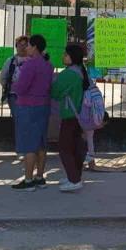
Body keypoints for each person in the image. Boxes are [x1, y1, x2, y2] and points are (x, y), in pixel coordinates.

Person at [11, 34, 54, 191]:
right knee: (41, 143)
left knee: (29, 144)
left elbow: (21, 87)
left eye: (28, 45)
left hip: (28, 106)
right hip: (43, 105)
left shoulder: (29, 65)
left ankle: (28, 180)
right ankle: (40, 177)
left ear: (35, 47)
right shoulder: (48, 65)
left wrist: (15, 84)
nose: (26, 48)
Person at [51, 44, 89, 192]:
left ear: (72, 57)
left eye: (65, 54)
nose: (63, 56)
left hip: (70, 115)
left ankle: (74, 180)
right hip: (79, 116)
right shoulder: (80, 71)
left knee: (65, 148)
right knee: (75, 148)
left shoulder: (68, 74)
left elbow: (55, 92)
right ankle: (74, 176)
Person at [0, 35, 29, 119]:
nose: (23, 48)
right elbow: (2, 78)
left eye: (25, 45)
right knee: (17, 118)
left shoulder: (32, 61)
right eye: (20, 45)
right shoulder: (10, 61)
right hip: (13, 95)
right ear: (16, 47)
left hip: (28, 95)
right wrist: (9, 87)